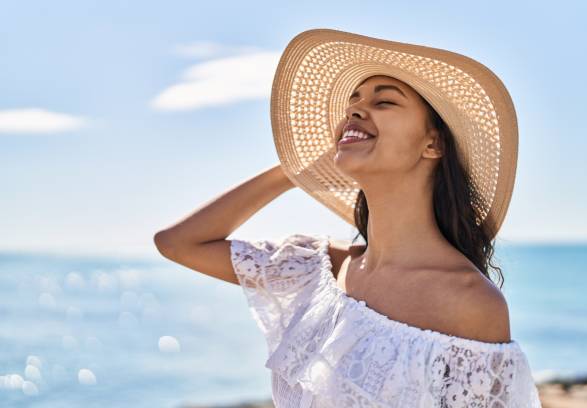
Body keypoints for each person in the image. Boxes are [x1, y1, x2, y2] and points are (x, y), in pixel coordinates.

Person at [154, 29, 542, 407]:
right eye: (353, 102)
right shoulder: (314, 272)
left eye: (385, 102)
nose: (355, 109)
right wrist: (294, 172)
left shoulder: (469, 303)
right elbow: (178, 243)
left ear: (433, 143)